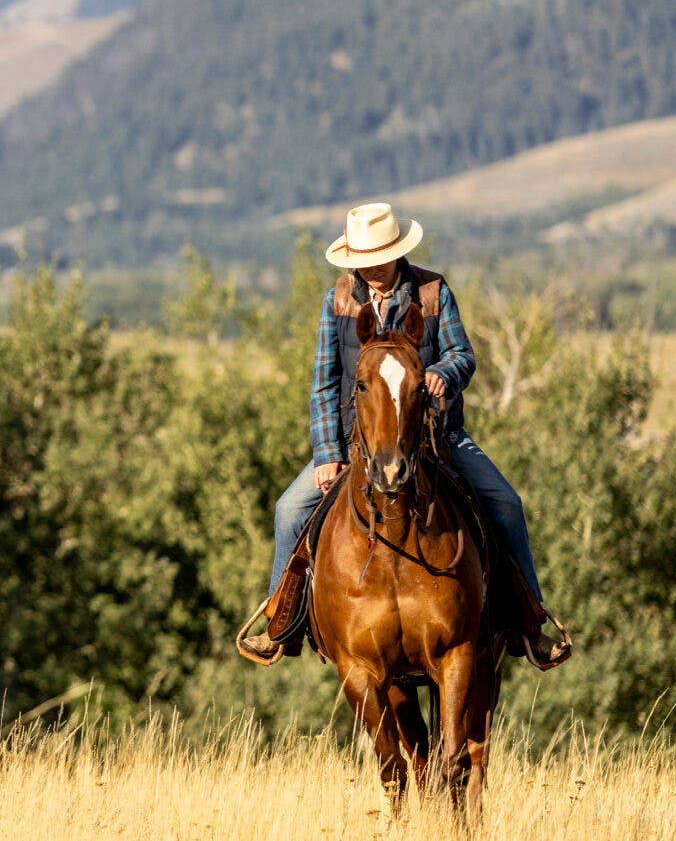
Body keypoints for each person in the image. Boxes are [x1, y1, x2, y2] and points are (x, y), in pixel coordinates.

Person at [236, 202, 571, 669]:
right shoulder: (337, 301)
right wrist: (329, 453)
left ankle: (532, 623)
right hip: (358, 443)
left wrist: (441, 375)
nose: (368, 267)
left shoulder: (433, 293)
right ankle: (280, 622)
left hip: (437, 438)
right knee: (289, 509)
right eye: (360, 258)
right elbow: (324, 383)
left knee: (506, 503)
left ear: (397, 253)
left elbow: (463, 354)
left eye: (376, 256)